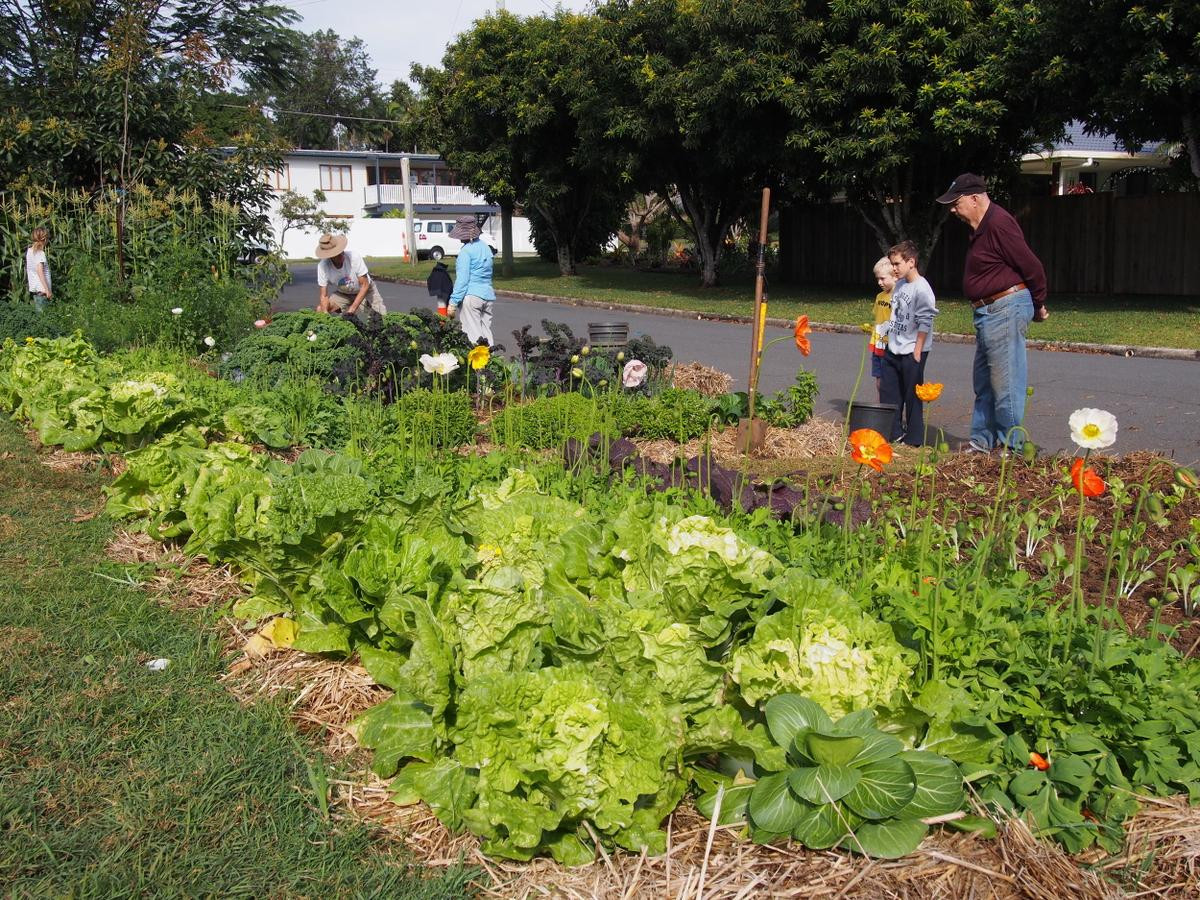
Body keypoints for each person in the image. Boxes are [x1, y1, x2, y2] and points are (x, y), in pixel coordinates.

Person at [936, 173, 1049, 453]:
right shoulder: (980, 228)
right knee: (984, 382)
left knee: (1006, 382)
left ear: (975, 198)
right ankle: (982, 442)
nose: (952, 209)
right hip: (989, 311)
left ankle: (1013, 447)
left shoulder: (999, 223)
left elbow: (1031, 265)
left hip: (1005, 307)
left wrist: (1038, 303)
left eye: (956, 202)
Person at [880, 240, 938, 446]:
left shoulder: (922, 289)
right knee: (889, 392)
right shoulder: (900, 285)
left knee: (912, 394)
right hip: (894, 347)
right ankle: (893, 433)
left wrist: (918, 349)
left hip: (912, 350)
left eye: (897, 264)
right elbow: (897, 314)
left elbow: (925, 320)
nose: (893, 268)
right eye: (892, 264)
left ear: (911, 262)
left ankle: (914, 439)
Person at [314, 233, 387, 322]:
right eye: (337, 254)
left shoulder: (354, 257)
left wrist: (352, 310)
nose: (341, 255)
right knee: (320, 310)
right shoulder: (322, 266)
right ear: (330, 257)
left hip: (365, 291)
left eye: (341, 251)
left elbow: (365, 285)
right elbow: (324, 295)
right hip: (343, 293)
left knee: (380, 319)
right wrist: (325, 313)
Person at [447, 215, 495, 345]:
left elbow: (462, 280)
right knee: (486, 332)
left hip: (472, 297)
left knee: (473, 335)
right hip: (488, 295)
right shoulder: (486, 247)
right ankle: (493, 362)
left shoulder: (465, 252)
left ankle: (478, 365)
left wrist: (453, 303)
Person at [869, 256, 895, 399]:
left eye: (883, 278)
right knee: (879, 382)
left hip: (891, 345)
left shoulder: (898, 297)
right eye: (877, 279)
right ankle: (882, 410)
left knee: (890, 382)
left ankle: (892, 413)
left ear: (894, 277)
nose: (879, 282)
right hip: (877, 343)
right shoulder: (879, 297)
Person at [26, 227, 51, 312]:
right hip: (42, 291)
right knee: (44, 317)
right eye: (47, 238)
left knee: (40, 316)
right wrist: (47, 290)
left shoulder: (29, 251)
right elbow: (39, 271)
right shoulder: (40, 253)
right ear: (44, 239)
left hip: (36, 290)